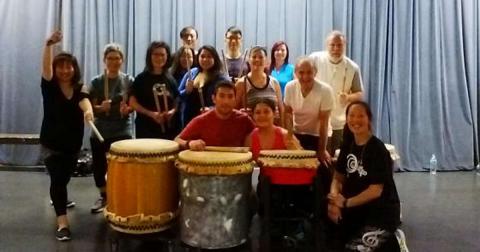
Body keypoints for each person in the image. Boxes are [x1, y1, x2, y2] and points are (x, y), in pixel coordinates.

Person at [40, 31, 94, 241]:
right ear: (55, 68)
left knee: (64, 177)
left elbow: (85, 101)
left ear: (74, 69)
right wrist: (48, 45)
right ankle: (62, 222)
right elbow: (45, 68)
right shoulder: (50, 86)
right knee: (58, 181)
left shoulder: (80, 87)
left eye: (68, 66)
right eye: (60, 66)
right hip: (51, 143)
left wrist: (89, 111)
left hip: (72, 144)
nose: (64, 70)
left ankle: (60, 200)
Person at [327, 101, 401, 251]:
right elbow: (337, 177)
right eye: (351, 116)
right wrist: (335, 201)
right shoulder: (347, 145)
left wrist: (346, 202)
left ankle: (392, 240)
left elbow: (375, 191)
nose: (355, 120)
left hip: (379, 214)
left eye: (361, 116)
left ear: (369, 119)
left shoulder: (378, 150)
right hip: (355, 210)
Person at [88, 43, 134, 214]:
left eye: (117, 58)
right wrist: (101, 108)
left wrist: (127, 109)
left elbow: (132, 105)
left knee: (123, 166)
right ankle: (104, 196)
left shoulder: (128, 81)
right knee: (99, 166)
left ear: (122, 60)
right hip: (100, 130)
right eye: (110, 58)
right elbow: (91, 108)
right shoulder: (97, 82)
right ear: (104, 60)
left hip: (122, 129)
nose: (113, 62)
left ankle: (122, 197)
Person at [310, 30, 364, 155]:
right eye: (332, 45)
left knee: (336, 157)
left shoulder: (352, 67)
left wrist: (348, 97)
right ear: (326, 45)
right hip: (315, 119)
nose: (336, 48)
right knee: (316, 158)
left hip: (338, 121)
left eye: (339, 45)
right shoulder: (315, 59)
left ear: (344, 46)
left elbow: (360, 93)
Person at [175, 81, 254, 150]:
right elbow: (177, 140)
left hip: (238, 166)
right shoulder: (201, 120)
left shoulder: (244, 120)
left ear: (235, 99)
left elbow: (259, 135)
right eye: (222, 96)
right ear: (213, 98)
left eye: (230, 96)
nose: (226, 101)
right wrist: (189, 143)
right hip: (208, 165)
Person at [284, 57, 334, 165]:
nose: (305, 76)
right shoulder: (290, 87)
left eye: (309, 72)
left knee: (321, 168)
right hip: (298, 134)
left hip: (319, 136)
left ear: (315, 72)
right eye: (301, 72)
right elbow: (287, 114)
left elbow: (324, 123)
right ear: (296, 73)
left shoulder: (325, 90)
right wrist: (290, 137)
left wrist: (321, 150)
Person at [130, 41, 180, 139]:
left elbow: (177, 100)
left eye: (162, 55)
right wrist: (151, 114)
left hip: (168, 128)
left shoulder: (171, 78)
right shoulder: (141, 79)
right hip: (146, 128)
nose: (159, 58)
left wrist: (172, 112)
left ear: (167, 56)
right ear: (150, 56)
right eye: (156, 54)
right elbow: (132, 103)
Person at [178, 45, 229, 127]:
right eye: (202, 56)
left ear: (215, 59)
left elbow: (228, 101)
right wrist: (186, 91)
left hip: (211, 120)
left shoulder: (222, 78)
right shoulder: (192, 73)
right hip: (189, 119)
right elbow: (178, 96)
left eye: (209, 57)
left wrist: (212, 109)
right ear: (198, 58)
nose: (205, 59)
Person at [235, 46, 284, 127]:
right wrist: (241, 114)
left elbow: (281, 109)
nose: (257, 60)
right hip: (250, 132)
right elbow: (233, 110)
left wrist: (283, 130)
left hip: (272, 132)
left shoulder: (274, 82)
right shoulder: (241, 83)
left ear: (266, 61)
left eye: (260, 57)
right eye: (254, 57)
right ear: (249, 60)